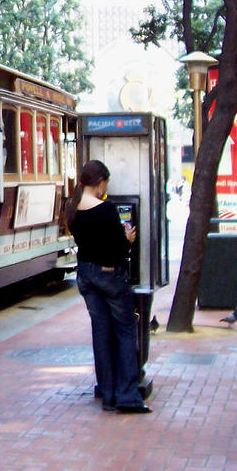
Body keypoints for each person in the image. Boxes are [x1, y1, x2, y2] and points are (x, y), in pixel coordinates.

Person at [65, 159, 150, 413]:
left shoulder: (72, 209)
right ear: (100, 182)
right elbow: (118, 250)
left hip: (86, 276)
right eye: (105, 183)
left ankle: (108, 394)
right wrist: (128, 239)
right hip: (110, 276)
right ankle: (128, 396)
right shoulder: (106, 210)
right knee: (125, 332)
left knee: (101, 334)